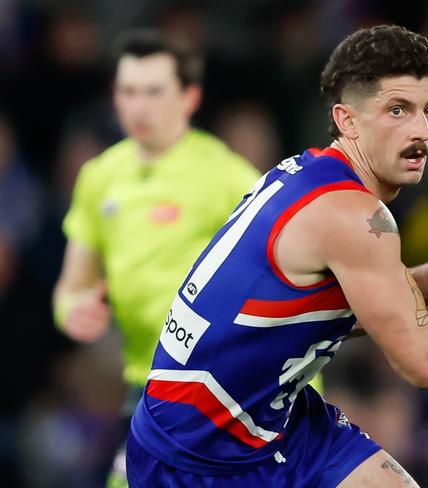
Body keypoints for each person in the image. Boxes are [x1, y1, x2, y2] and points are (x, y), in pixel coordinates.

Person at [126, 25, 428, 487]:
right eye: (397, 110)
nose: (421, 130)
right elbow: (423, 362)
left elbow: (348, 310)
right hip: (196, 453)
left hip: (273, 420)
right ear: (347, 120)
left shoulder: (313, 173)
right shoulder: (355, 216)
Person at [52, 29, 260, 485]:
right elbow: (72, 285)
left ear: (190, 97)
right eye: (128, 91)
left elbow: (284, 274)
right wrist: (73, 310)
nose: (139, 106)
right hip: (145, 386)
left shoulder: (230, 178)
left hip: (222, 389)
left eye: (153, 92)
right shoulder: (99, 177)